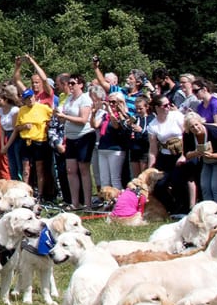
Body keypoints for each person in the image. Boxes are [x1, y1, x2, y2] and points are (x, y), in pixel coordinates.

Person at [54, 75, 96, 210]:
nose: (70, 86)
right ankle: (75, 202)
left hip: (84, 136)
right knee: (70, 170)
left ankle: (88, 203)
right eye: (69, 83)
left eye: (73, 83)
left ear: (81, 84)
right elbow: (63, 120)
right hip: (70, 137)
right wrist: (58, 115)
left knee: (84, 170)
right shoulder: (69, 99)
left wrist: (64, 116)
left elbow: (83, 119)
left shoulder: (85, 99)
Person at [146, 94, 189, 214]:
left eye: (169, 104)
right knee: (159, 185)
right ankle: (171, 208)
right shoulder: (153, 125)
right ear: (157, 108)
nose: (168, 107)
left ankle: (184, 209)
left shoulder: (176, 116)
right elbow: (153, 149)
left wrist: (183, 155)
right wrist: (150, 168)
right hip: (165, 156)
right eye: (165, 105)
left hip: (180, 153)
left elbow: (187, 136)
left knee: (177, 181)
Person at [183, 111, 217, 208]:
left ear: (201, 122)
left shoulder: (214, 131)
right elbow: (187, 154)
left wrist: (212, 156)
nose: (196, 128)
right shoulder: (188, 135)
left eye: (197, 124)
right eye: (192, 127)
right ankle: (208, 211)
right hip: (207, 160)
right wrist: (197, 153)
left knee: (216, 186)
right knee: (205, 186)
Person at [16, 89, 53, 199]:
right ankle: (25, 193)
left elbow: (53, 116)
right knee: (26, 169)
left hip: (39, 141)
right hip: (26, 141)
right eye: (27, 98)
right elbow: (17, 127)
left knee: (39, 168)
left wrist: (48, 126)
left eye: (31, 97)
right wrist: (24, 126)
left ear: (34, 97)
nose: (29, 100)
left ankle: (40, 195)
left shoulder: (43, 108)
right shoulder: (22, 110)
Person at [94, 91, 132, 192]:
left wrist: (110, 111)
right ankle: (107, 201)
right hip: (103, 148)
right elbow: (95, 125)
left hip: (115, 149)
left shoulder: (122, 115)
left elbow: (116, 125)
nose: (110, 104)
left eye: (113, 102)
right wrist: (94, 112)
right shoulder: (104, 116)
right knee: (104, 179)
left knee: (115, 179)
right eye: (109, 102)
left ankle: (118, 202)